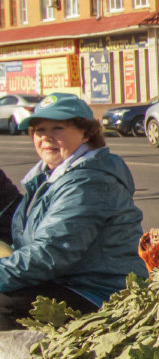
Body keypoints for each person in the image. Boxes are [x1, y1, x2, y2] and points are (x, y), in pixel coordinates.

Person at [0, 94, 147, 328]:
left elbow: (49, 255)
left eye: (57, 128)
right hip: (64, 282)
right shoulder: (48, 177)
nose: (46, 137)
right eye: (39, 130)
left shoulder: (89, 182)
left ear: (86, 133)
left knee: (4, 303)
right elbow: (22, 235)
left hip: (98, 294)